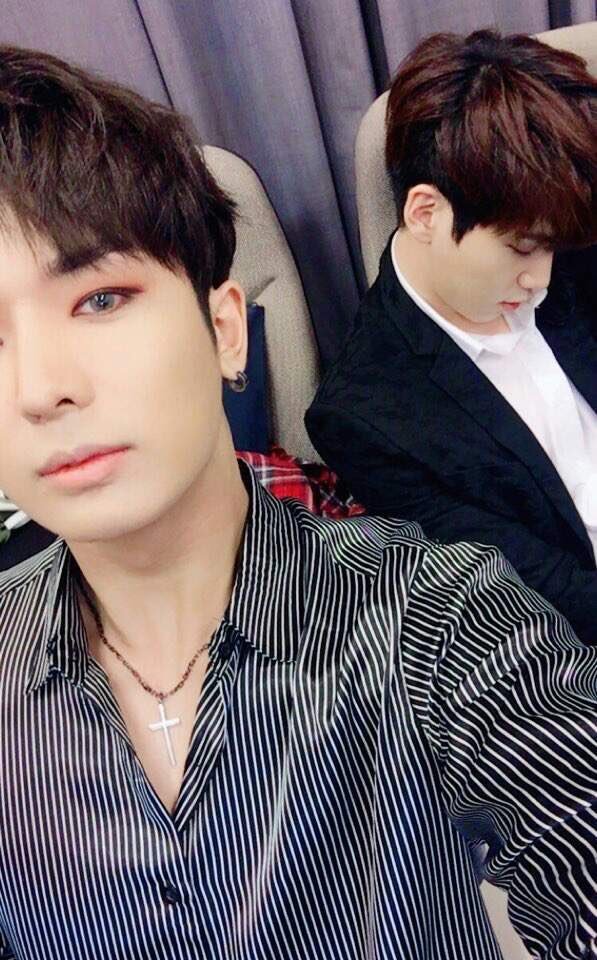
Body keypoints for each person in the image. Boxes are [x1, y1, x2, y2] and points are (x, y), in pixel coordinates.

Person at [0, 43, 595, 960]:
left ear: (224, 328)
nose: (42, 389)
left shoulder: (439, 620)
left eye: (102, 298)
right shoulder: (372, 409)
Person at [305, 29, 597, 645]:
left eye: (551, 249)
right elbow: (528, 585)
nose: (541, 279)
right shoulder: (366, 417)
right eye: (521, 249)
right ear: (426, 213)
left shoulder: (564, 225)